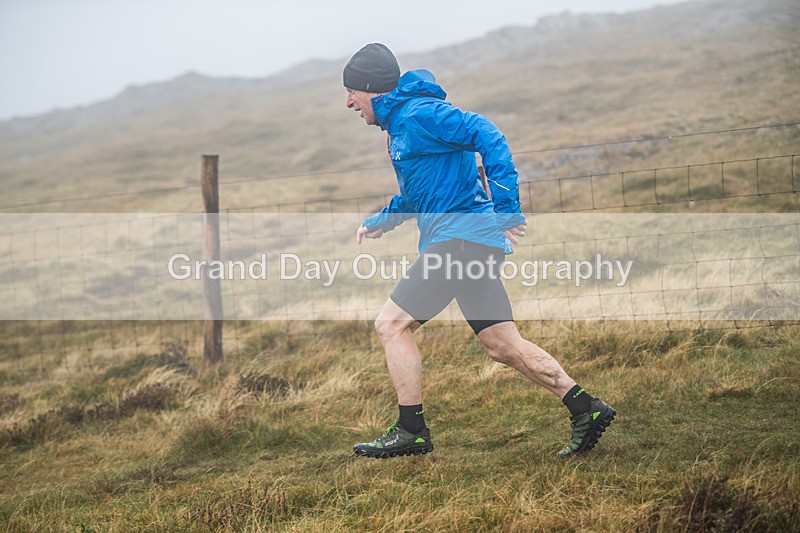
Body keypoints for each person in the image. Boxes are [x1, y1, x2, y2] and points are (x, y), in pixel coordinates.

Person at [343, 43, 615, 458]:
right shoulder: (401, 126)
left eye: (351, 92)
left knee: (391, 325)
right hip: (468, 242)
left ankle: (411, 430)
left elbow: (487, 133)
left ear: (371, 89)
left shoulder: (419, 114)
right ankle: (585, 408)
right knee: (502, 344)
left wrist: (507, 210)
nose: (348, 102)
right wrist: (383, 219)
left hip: (461, 241)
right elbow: (421, 192)